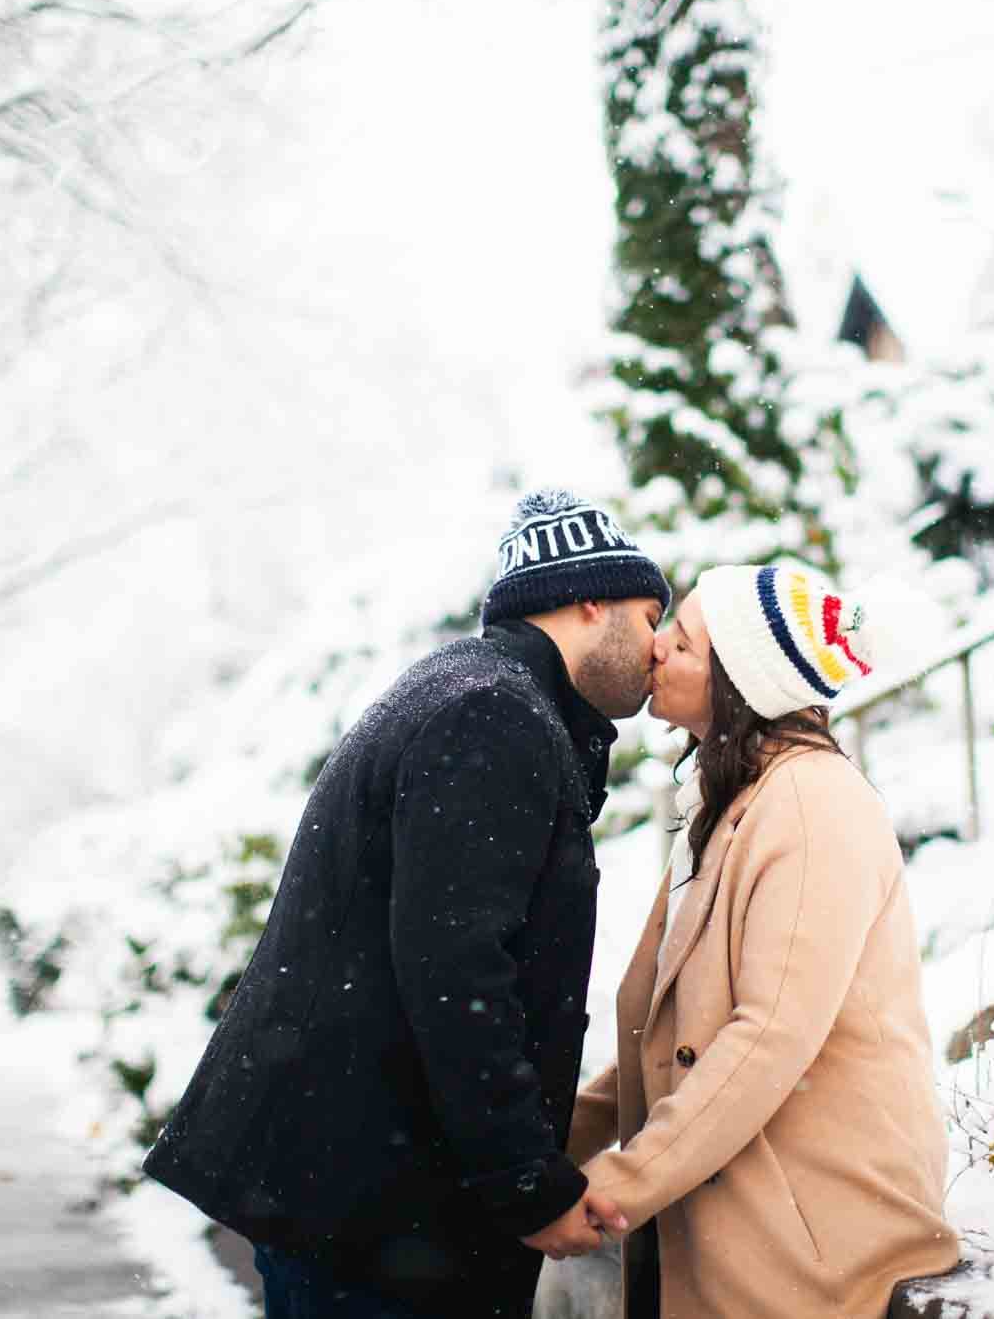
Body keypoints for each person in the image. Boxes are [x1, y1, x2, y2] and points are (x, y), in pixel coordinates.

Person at [142, 489, 667, 1319]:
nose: (657, 647)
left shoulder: (465, 688)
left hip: (355, 1195)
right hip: (375, 1218)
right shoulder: (494, 714)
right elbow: (457, 973)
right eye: (647, 616)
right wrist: (529, 1186)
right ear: (589, 598)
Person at [568, 564, 960, 1318]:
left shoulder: (816, 807)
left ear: (738, 683)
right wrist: (545, 1155)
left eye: (682, 644)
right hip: (745, 1229)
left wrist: (620, 1182)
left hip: (819, 1244)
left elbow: (768, 1037)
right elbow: (670, 1030)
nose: (655, 650)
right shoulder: (734, 802)